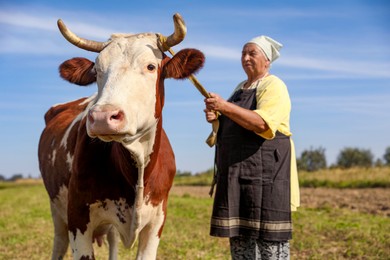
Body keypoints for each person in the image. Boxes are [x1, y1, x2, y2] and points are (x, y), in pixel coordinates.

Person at [204, 35, 300, 259]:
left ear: (266, 61)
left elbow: (261, 123)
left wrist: (224, 106)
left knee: (269, 242)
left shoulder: (274, 85)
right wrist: (217, 117)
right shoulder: (240, 88)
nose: (245, 58)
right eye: (243, 53)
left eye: (252, 53)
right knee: (241, 238)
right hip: (238, 175)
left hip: (267, 175)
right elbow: (234, 121)